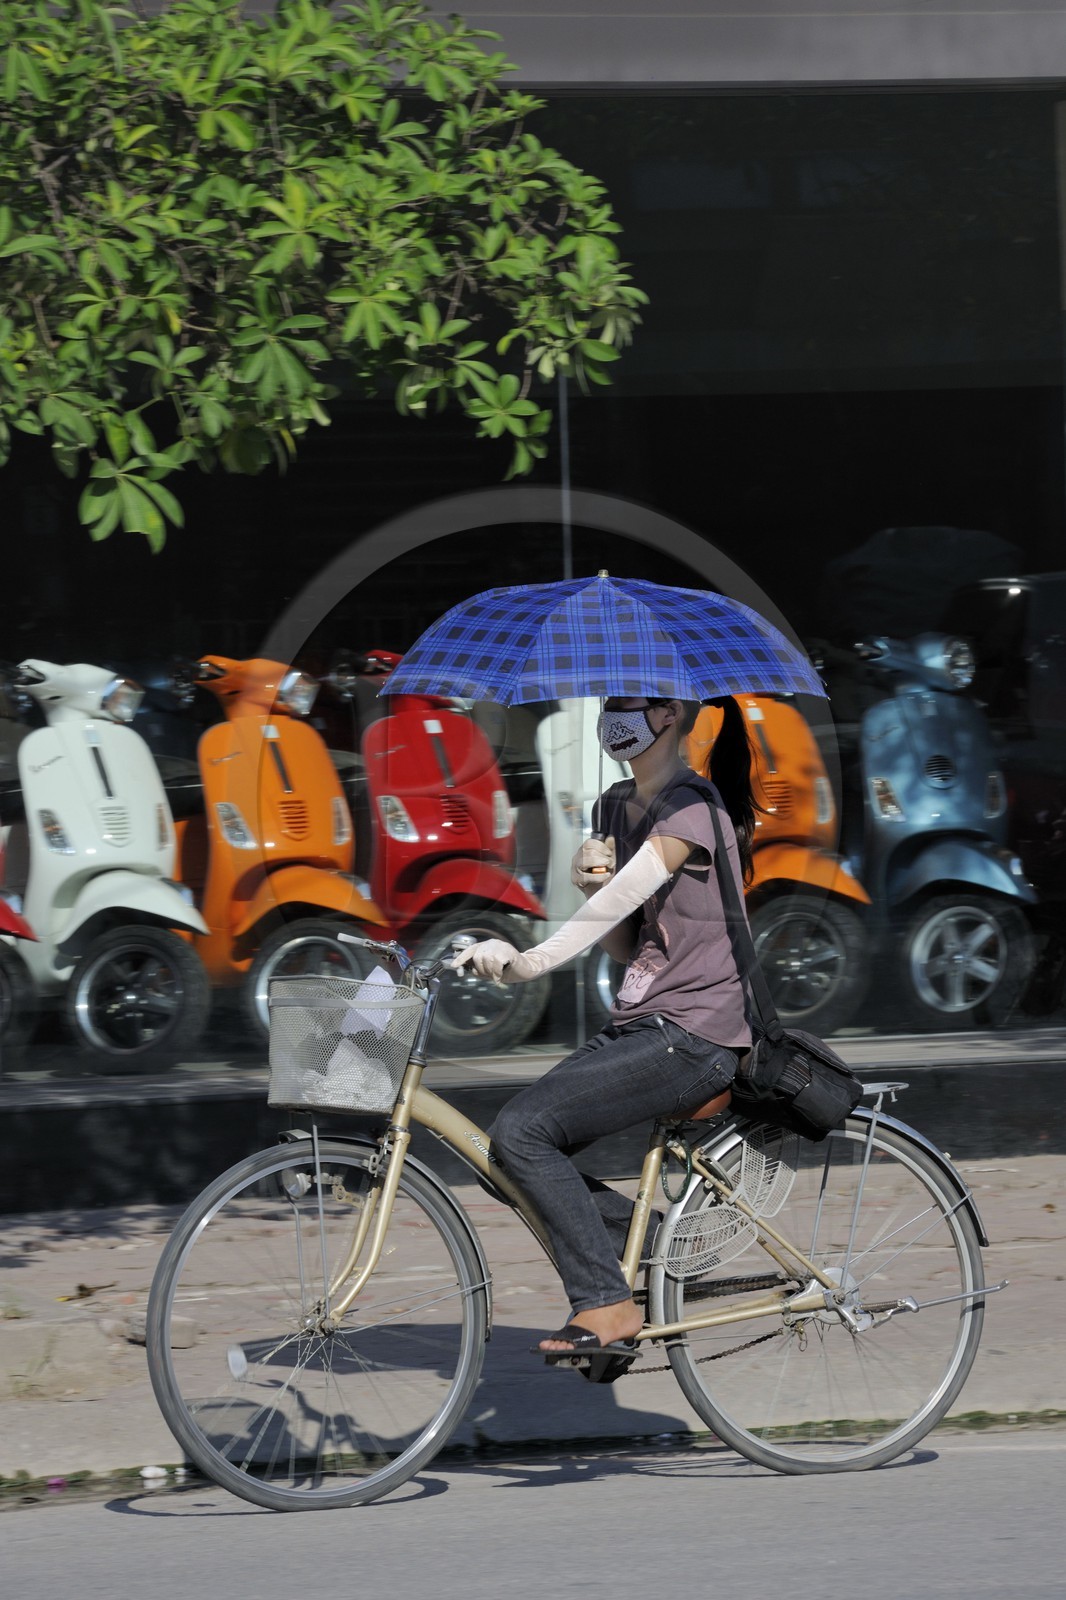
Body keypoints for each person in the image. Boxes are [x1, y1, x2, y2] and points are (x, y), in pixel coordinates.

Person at [450, 692, 756, 1367]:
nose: (611, 715)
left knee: (522, 1132)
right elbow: (625, 940)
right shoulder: (615, 805)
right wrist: (592, 887)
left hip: (697, 1034)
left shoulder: (691, 806)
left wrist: (529, 959)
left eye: (630, 702)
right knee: (505, 1157)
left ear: (671, 714)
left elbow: (627, 893)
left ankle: (607, 1302)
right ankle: (651, 1250)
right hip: (646, 1022)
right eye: (607, 703)